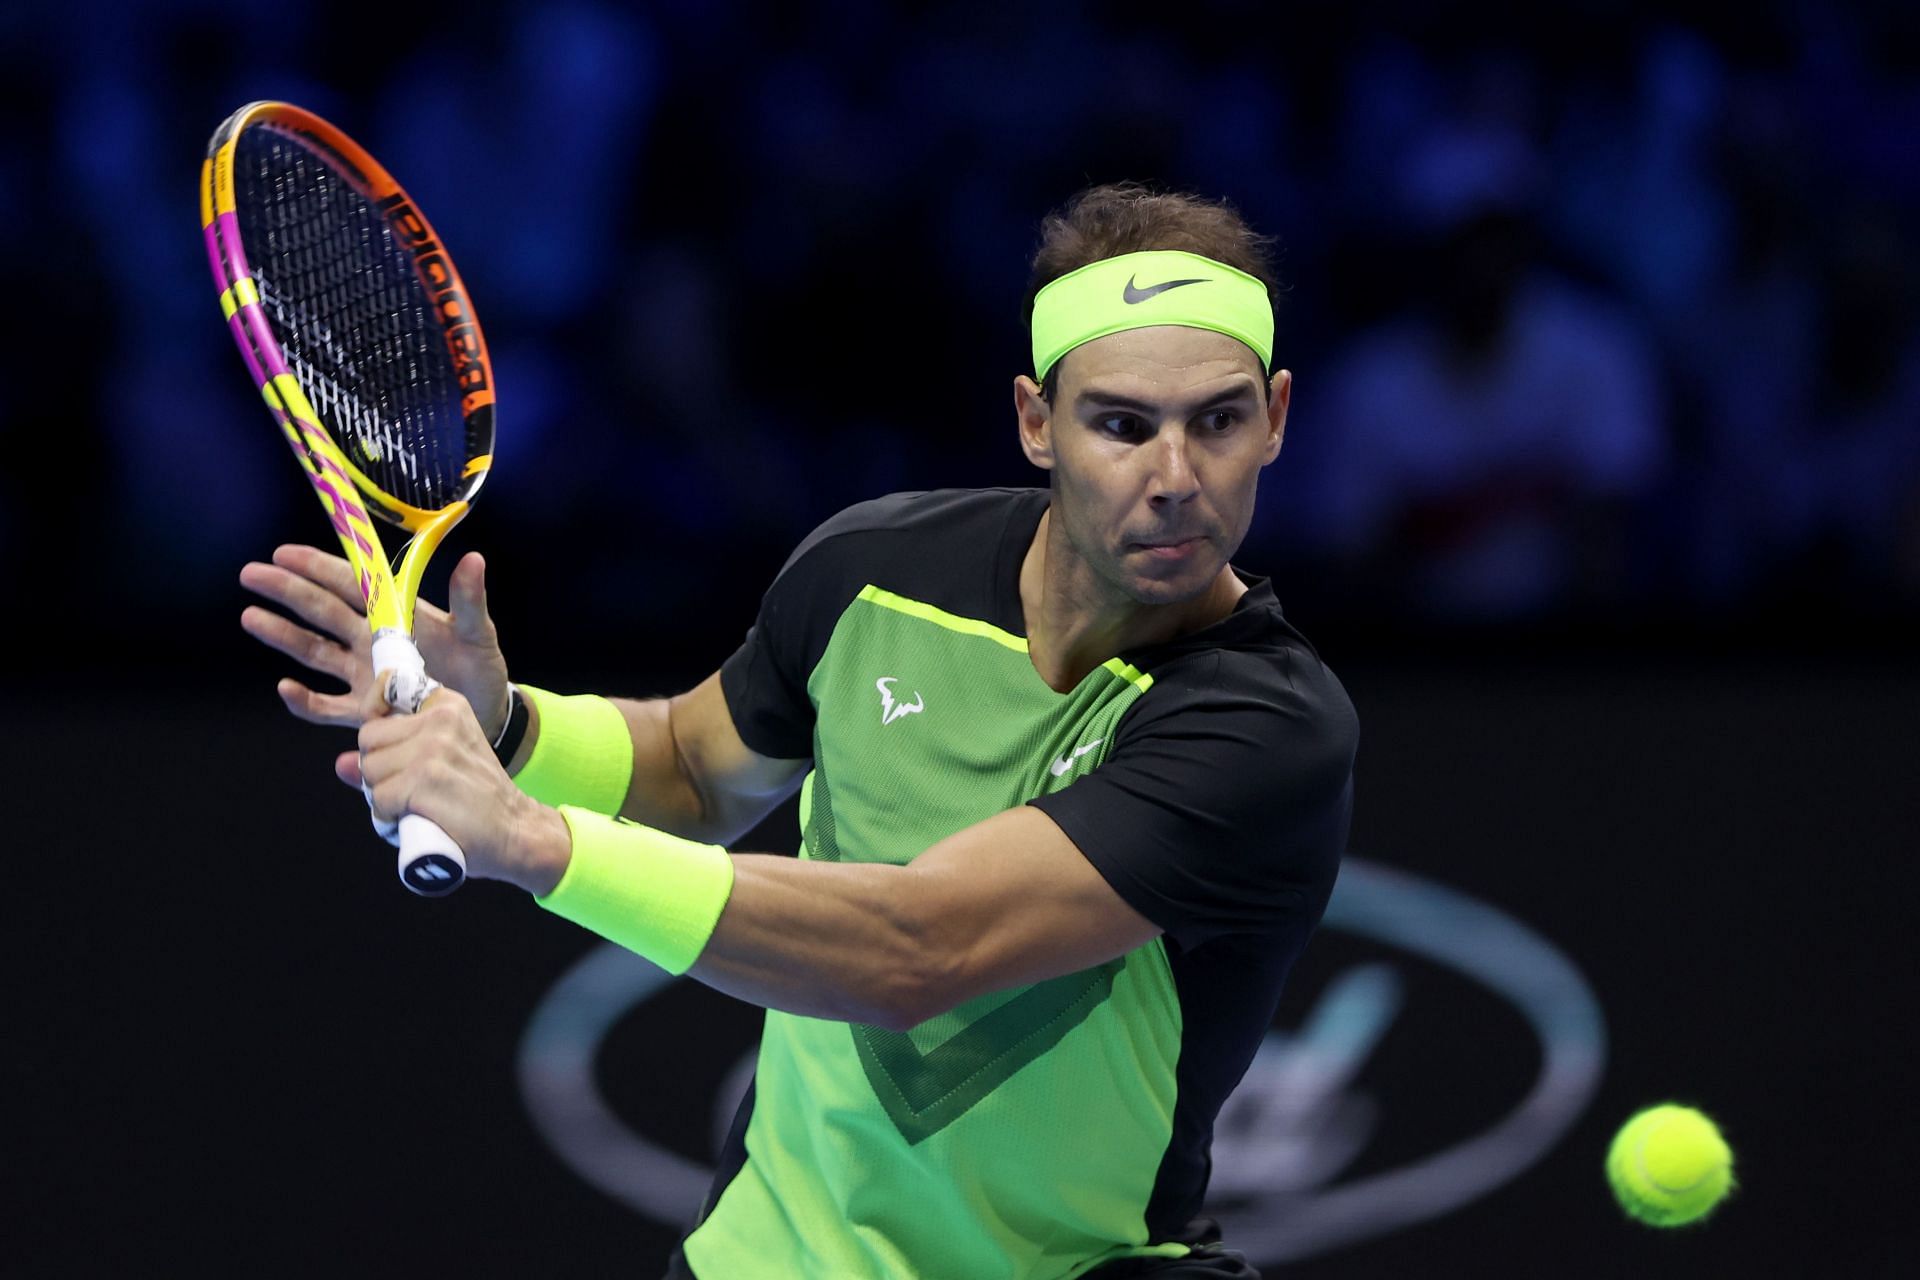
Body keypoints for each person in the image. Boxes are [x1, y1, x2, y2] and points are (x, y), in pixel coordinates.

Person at [240, 183, 1358, 1280]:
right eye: (1122, 423)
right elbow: (690, 766)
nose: (1174, 478)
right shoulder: (874, 570)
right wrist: (506, 721)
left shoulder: (1263, 724)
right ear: (1035, 422)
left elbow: (920, 948)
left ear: (1276, 419)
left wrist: (535, 841)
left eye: (1217, 419)